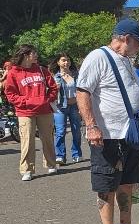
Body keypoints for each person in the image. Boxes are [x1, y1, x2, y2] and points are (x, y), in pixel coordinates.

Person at [76, 19, 139, 224]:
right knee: (106, 185)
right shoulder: (98, 57)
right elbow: (83, 92)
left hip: (128, 133)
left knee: (127, 182)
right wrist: (91, 126)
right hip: (108, 134)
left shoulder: (125, 61)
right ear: (126, 39)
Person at [4, 44, 58, 181]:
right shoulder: (14, 72)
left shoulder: (41, 70)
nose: (37, 55)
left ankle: (51, 164)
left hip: (45, 110)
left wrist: (47, 99)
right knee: (27, 140)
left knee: (47, 138)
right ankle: (27, 170)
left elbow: (53, 87)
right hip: (25, 111)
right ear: (25, 55)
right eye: (34, 53)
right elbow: (10, 93)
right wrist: (25, 102)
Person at [50, 52, 83, 164]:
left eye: (68, 60)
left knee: (76, 131)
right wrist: (55, 88)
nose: (66, 62)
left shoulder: (76, 75)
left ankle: (77, 153)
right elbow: (49, 93)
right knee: (60, 132)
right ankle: (60, 156)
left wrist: (82, 105)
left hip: (75, 106)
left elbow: (81, 91)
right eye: (63, 60)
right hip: (60, 107)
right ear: (58, 62)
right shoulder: (55, 77)